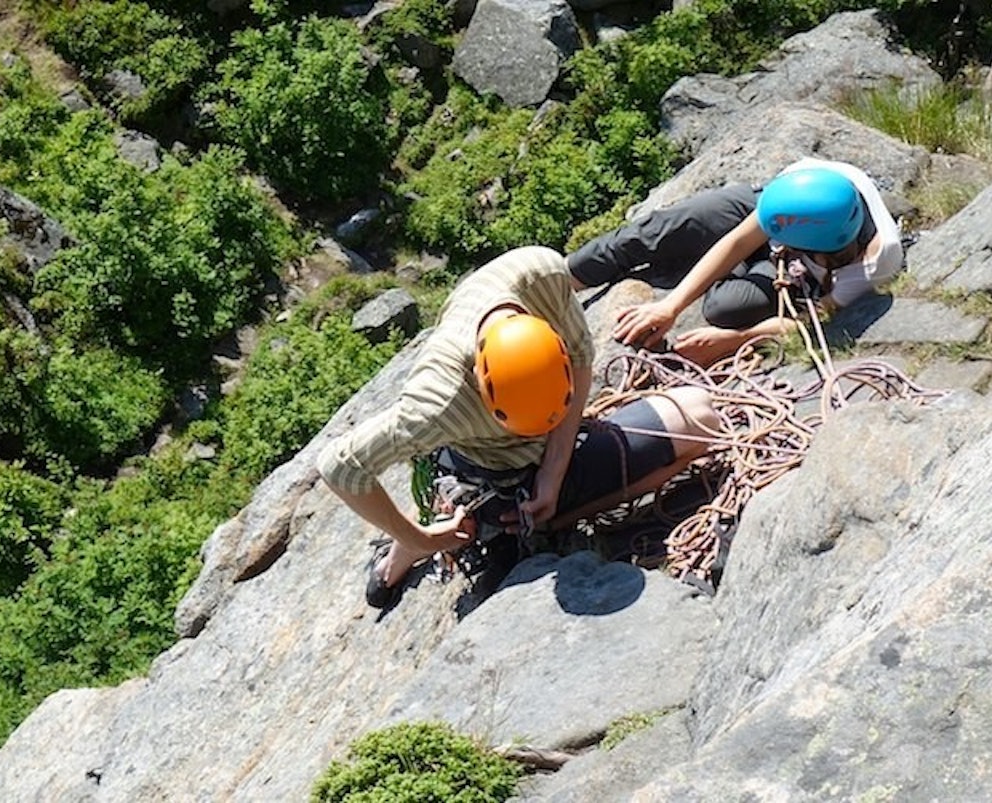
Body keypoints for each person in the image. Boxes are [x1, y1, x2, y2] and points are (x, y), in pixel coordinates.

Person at [316, 245, 719, 610]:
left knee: (702, 413)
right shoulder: (439, 402)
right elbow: (339, 466)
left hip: (526, 461)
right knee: (702, 418)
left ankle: (483, 522)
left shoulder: (540, 277)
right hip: (499, 478)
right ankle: (438, 539)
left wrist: (555, 469)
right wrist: (423, 539)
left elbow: (579, 356)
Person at [567, 157, 905, 365]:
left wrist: (735, 340)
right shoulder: (802, 194)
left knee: (726, 311)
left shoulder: (876, 260)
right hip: (767, 213)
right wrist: (670, 306)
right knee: (655, 231)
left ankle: (726, 265)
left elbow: (815, 317)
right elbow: (739, 239)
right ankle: (563, 277)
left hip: (796, 259)